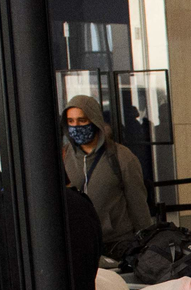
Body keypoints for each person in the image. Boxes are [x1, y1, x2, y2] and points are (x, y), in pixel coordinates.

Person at [62, 94, 154, 258]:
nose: (76, 126)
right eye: (71, 121)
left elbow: (138, 206)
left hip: (115, 245)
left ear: (95, 120)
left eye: (82, 120)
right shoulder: (62, 157)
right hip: (78, 246)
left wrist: (146, 245)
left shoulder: (121, 157)